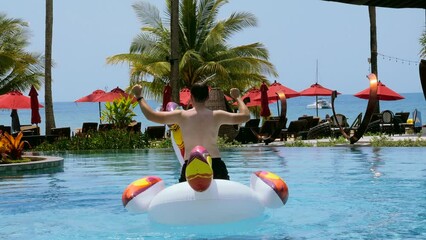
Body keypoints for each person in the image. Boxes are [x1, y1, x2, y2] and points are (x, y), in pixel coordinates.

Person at [132, 82, 250, 182]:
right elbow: (245, 116)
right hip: (215, 164)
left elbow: (151, 116)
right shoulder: (217, 115)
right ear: (208, 97)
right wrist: (237, 97)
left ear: (191, 97)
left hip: (191, 164)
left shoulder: (181, 115)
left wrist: (139, 96)